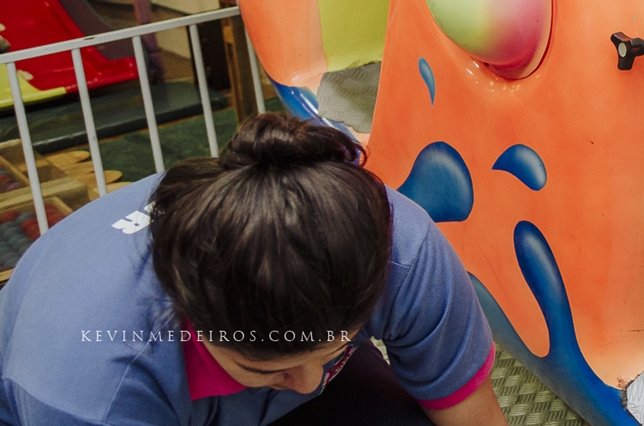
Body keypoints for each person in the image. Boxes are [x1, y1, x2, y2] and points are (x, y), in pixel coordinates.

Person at [0, 114, 504, 424]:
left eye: (334, 348)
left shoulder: (403, 251)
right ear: (192, 322)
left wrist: (300, 362)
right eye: (268, 368)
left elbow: (468, 415)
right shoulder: (90, 386)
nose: (309, 382)